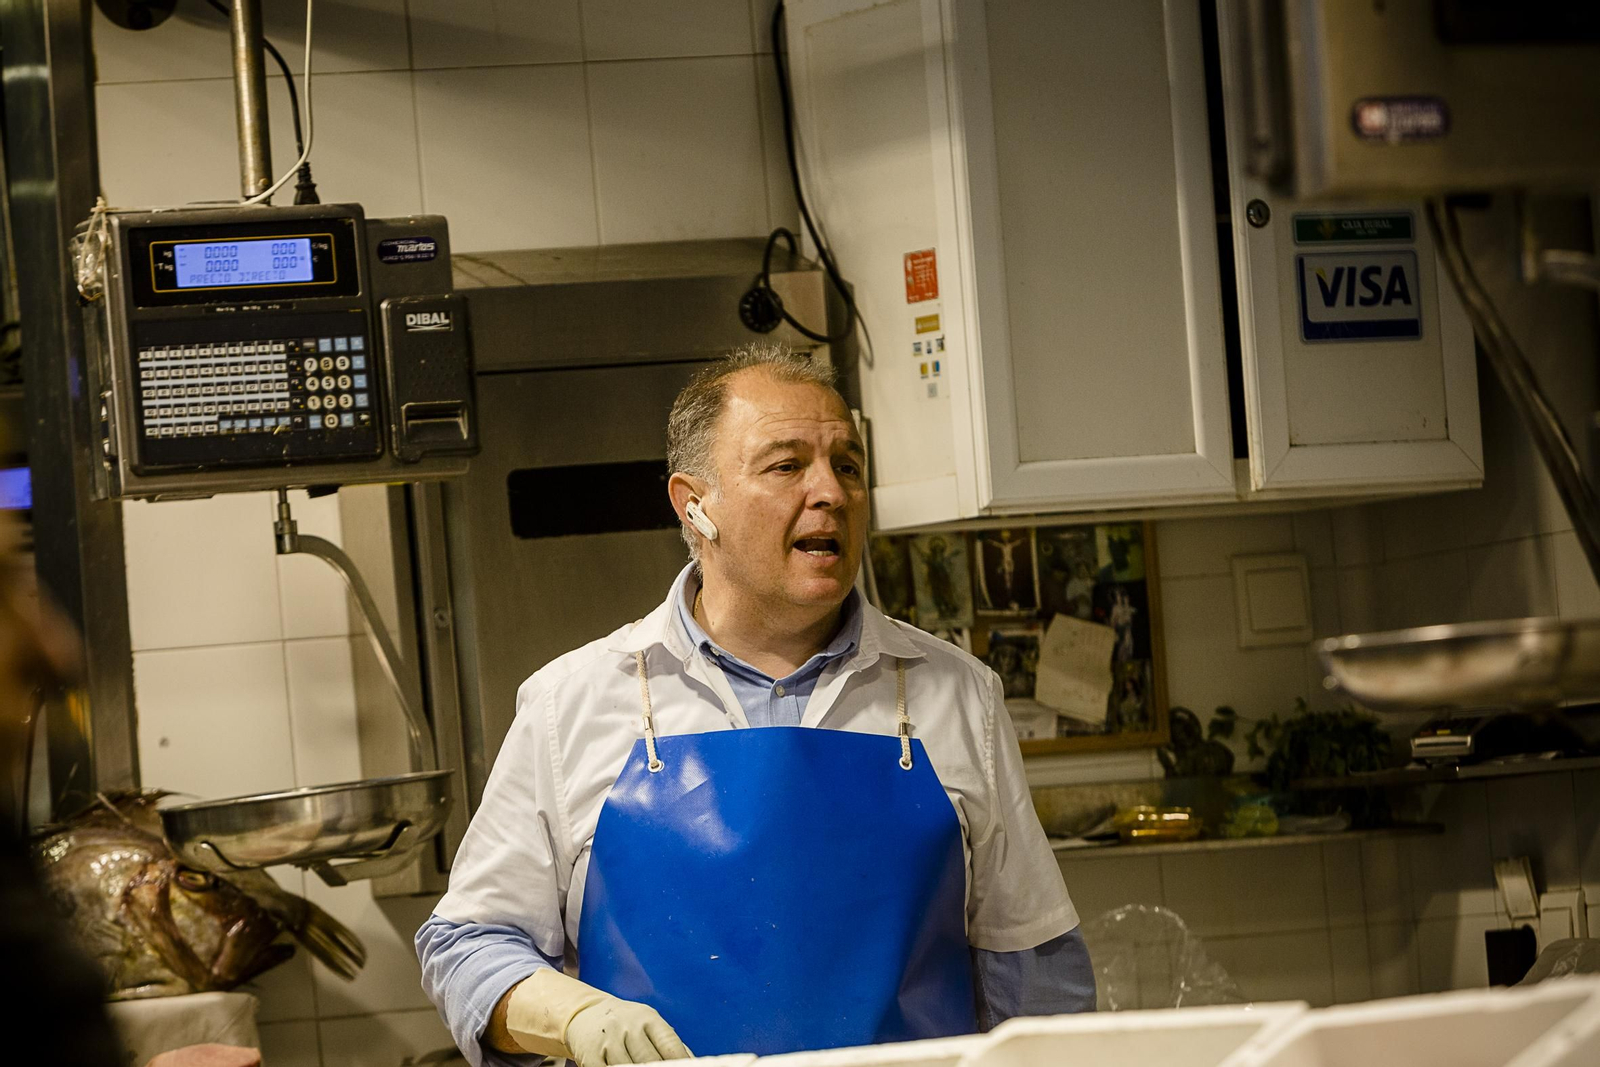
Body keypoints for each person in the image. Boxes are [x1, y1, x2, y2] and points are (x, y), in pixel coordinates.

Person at [417, 345, 1094, 1067]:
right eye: (787, 464)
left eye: (849, 465)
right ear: (695, 504)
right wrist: (573, 1012)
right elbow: (467, 943)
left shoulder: (959, 694)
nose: (831, 492)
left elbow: (1035, 977)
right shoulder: (570, 702)